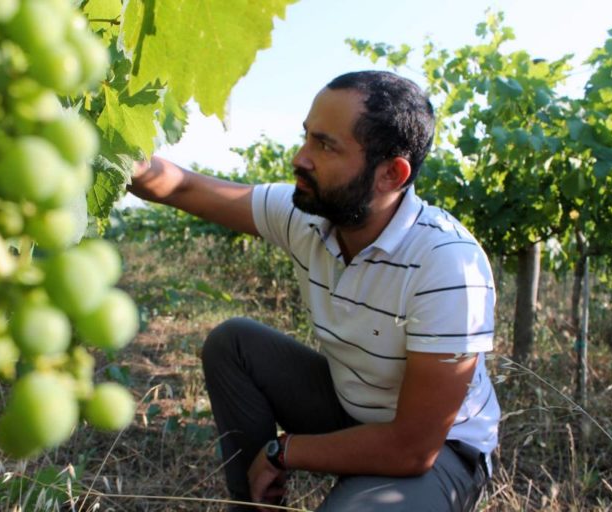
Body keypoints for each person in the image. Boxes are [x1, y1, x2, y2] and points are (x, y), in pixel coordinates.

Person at [127, 70, 500, 511]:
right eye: (306, 137)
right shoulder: (306, 217)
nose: (300, 158)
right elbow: (183, 187)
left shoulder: (447, 263)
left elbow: (413, 449)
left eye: (325, 146)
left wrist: (284, 450)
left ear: (391, 174)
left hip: (439, 452)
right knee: (234, 344)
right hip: (350, 408)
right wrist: (102, 151)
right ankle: (253, 506)